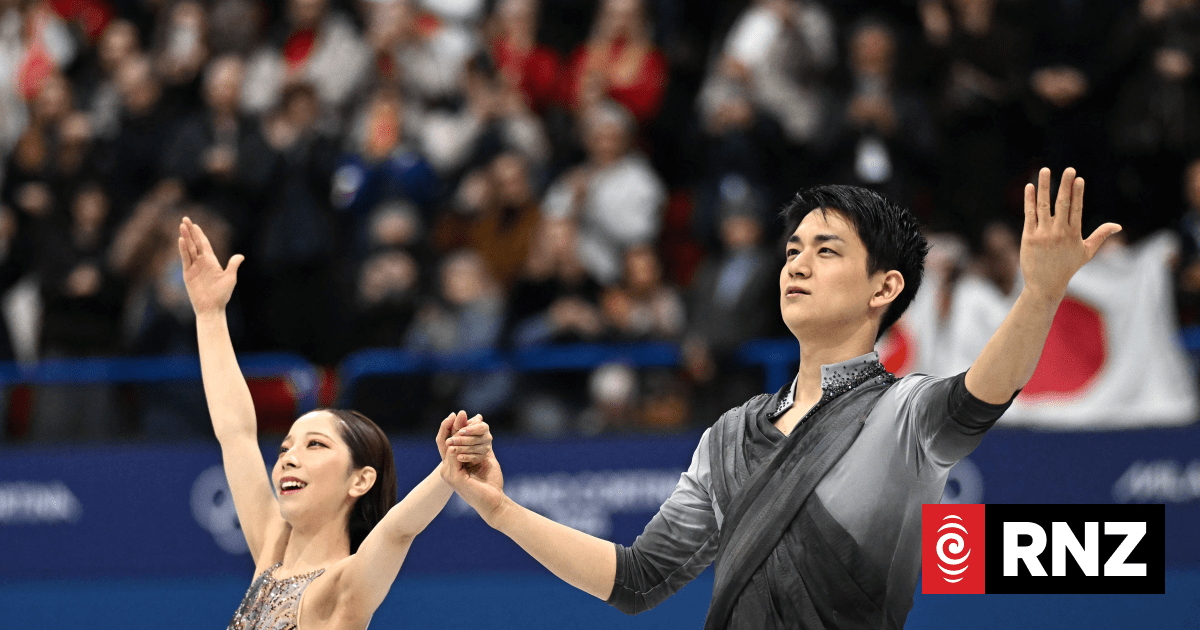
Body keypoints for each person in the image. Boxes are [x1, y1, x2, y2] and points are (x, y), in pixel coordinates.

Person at [440, 168, 1122, 628]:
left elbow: (984, 392)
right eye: (793, 250)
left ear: (884, 288)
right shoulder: (729, 435)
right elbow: (638, 579)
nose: (796, 263)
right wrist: (499, 509)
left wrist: (1040, 293)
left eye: (826, 251)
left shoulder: (904, 414)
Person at [176, 217, 492, 630]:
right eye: (286, 447)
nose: (288, 457)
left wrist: (447, 473)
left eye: (315, 445)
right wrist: (210, 314)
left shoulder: (345, 584)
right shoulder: (271, 549)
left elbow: (398, 530)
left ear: (360, 480)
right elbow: (235, 432)